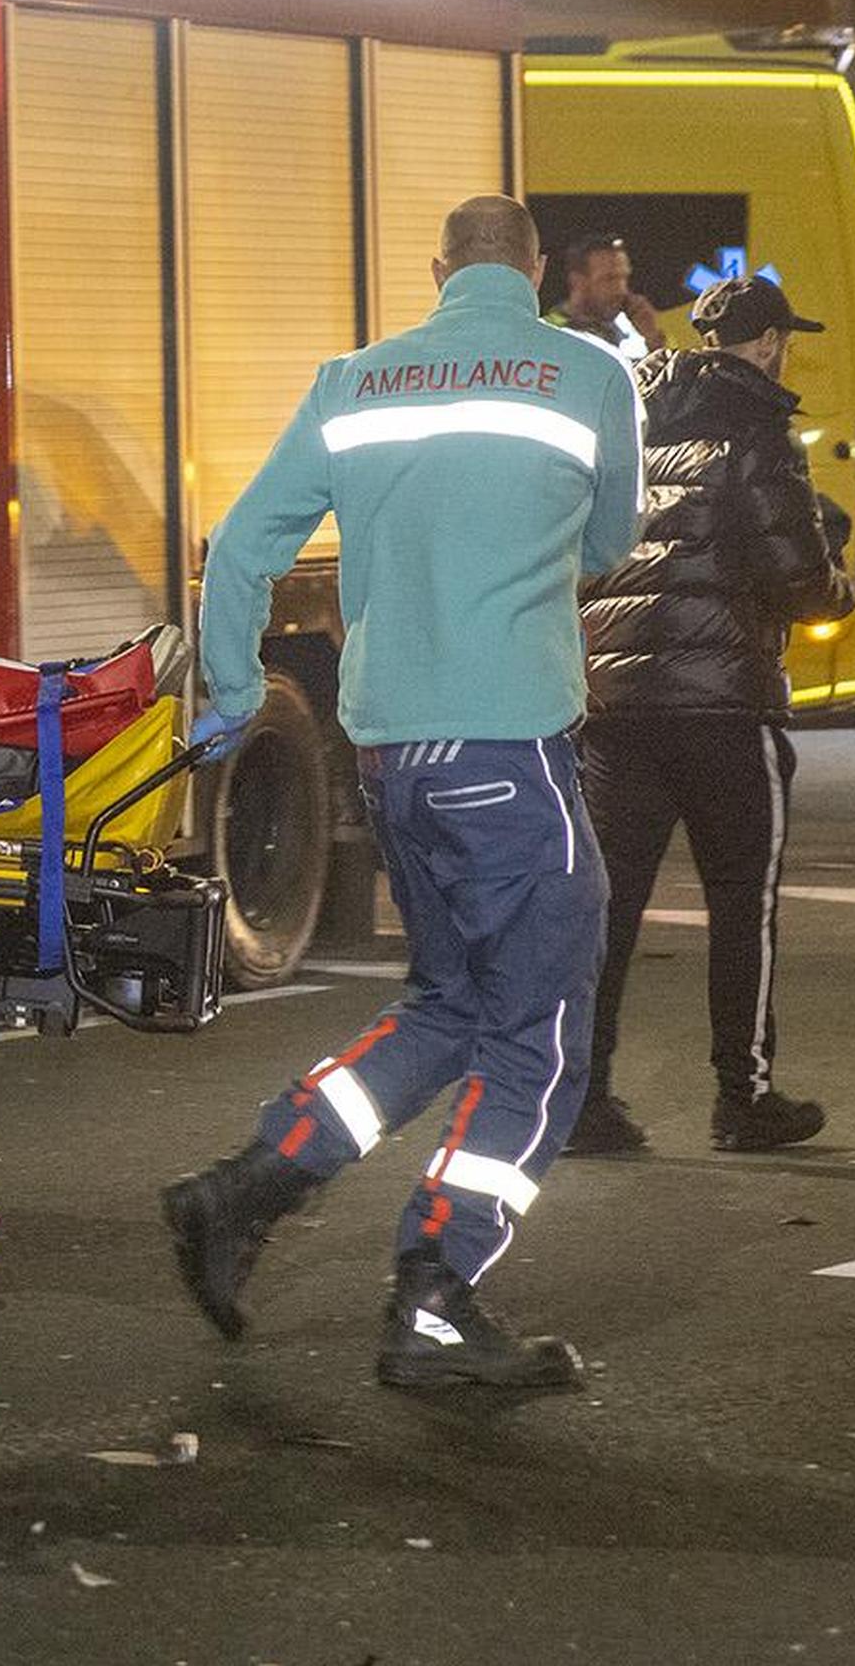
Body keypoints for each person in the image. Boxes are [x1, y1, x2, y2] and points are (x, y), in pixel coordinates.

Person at [162, 194, 642, 1389]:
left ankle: (246, 1189)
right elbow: (609, 541)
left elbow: (239, 543)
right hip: (511, 748)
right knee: (538, 1037)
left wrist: (230, 692)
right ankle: (434, 1301)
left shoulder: (353, 383)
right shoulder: (589, 375)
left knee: (447, 1009)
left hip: (391, 755)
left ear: (438, 272)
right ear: (535, 274)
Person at [569, 276, 855, 1159]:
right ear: (768, 343)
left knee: (610, 910)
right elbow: (796, 574)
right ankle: (744, 1101)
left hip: (616, 705)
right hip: (726, 706)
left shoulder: (628, 421)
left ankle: (585, 1101)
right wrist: (837, 589)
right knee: (742, 903)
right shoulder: (759, 430)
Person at [550, 235, 664, 363]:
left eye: (624, 278)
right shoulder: (554, 333)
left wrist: (651, 338)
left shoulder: (627, 328)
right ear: (578, 281)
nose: (621, 290)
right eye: (609, 279)